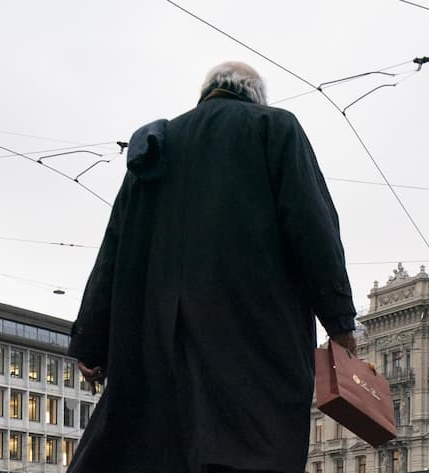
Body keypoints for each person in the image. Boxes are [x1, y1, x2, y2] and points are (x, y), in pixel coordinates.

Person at [67, 61, 358, 473]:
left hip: (159, 348)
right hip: (251, 343)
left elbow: (113, 249)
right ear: (256, 97)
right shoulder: (274, 128)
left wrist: (91, 343)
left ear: (205, 93)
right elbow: (314, 229)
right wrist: (340, 324)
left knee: (164, 454)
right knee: (248, 452)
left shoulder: (157, 144)